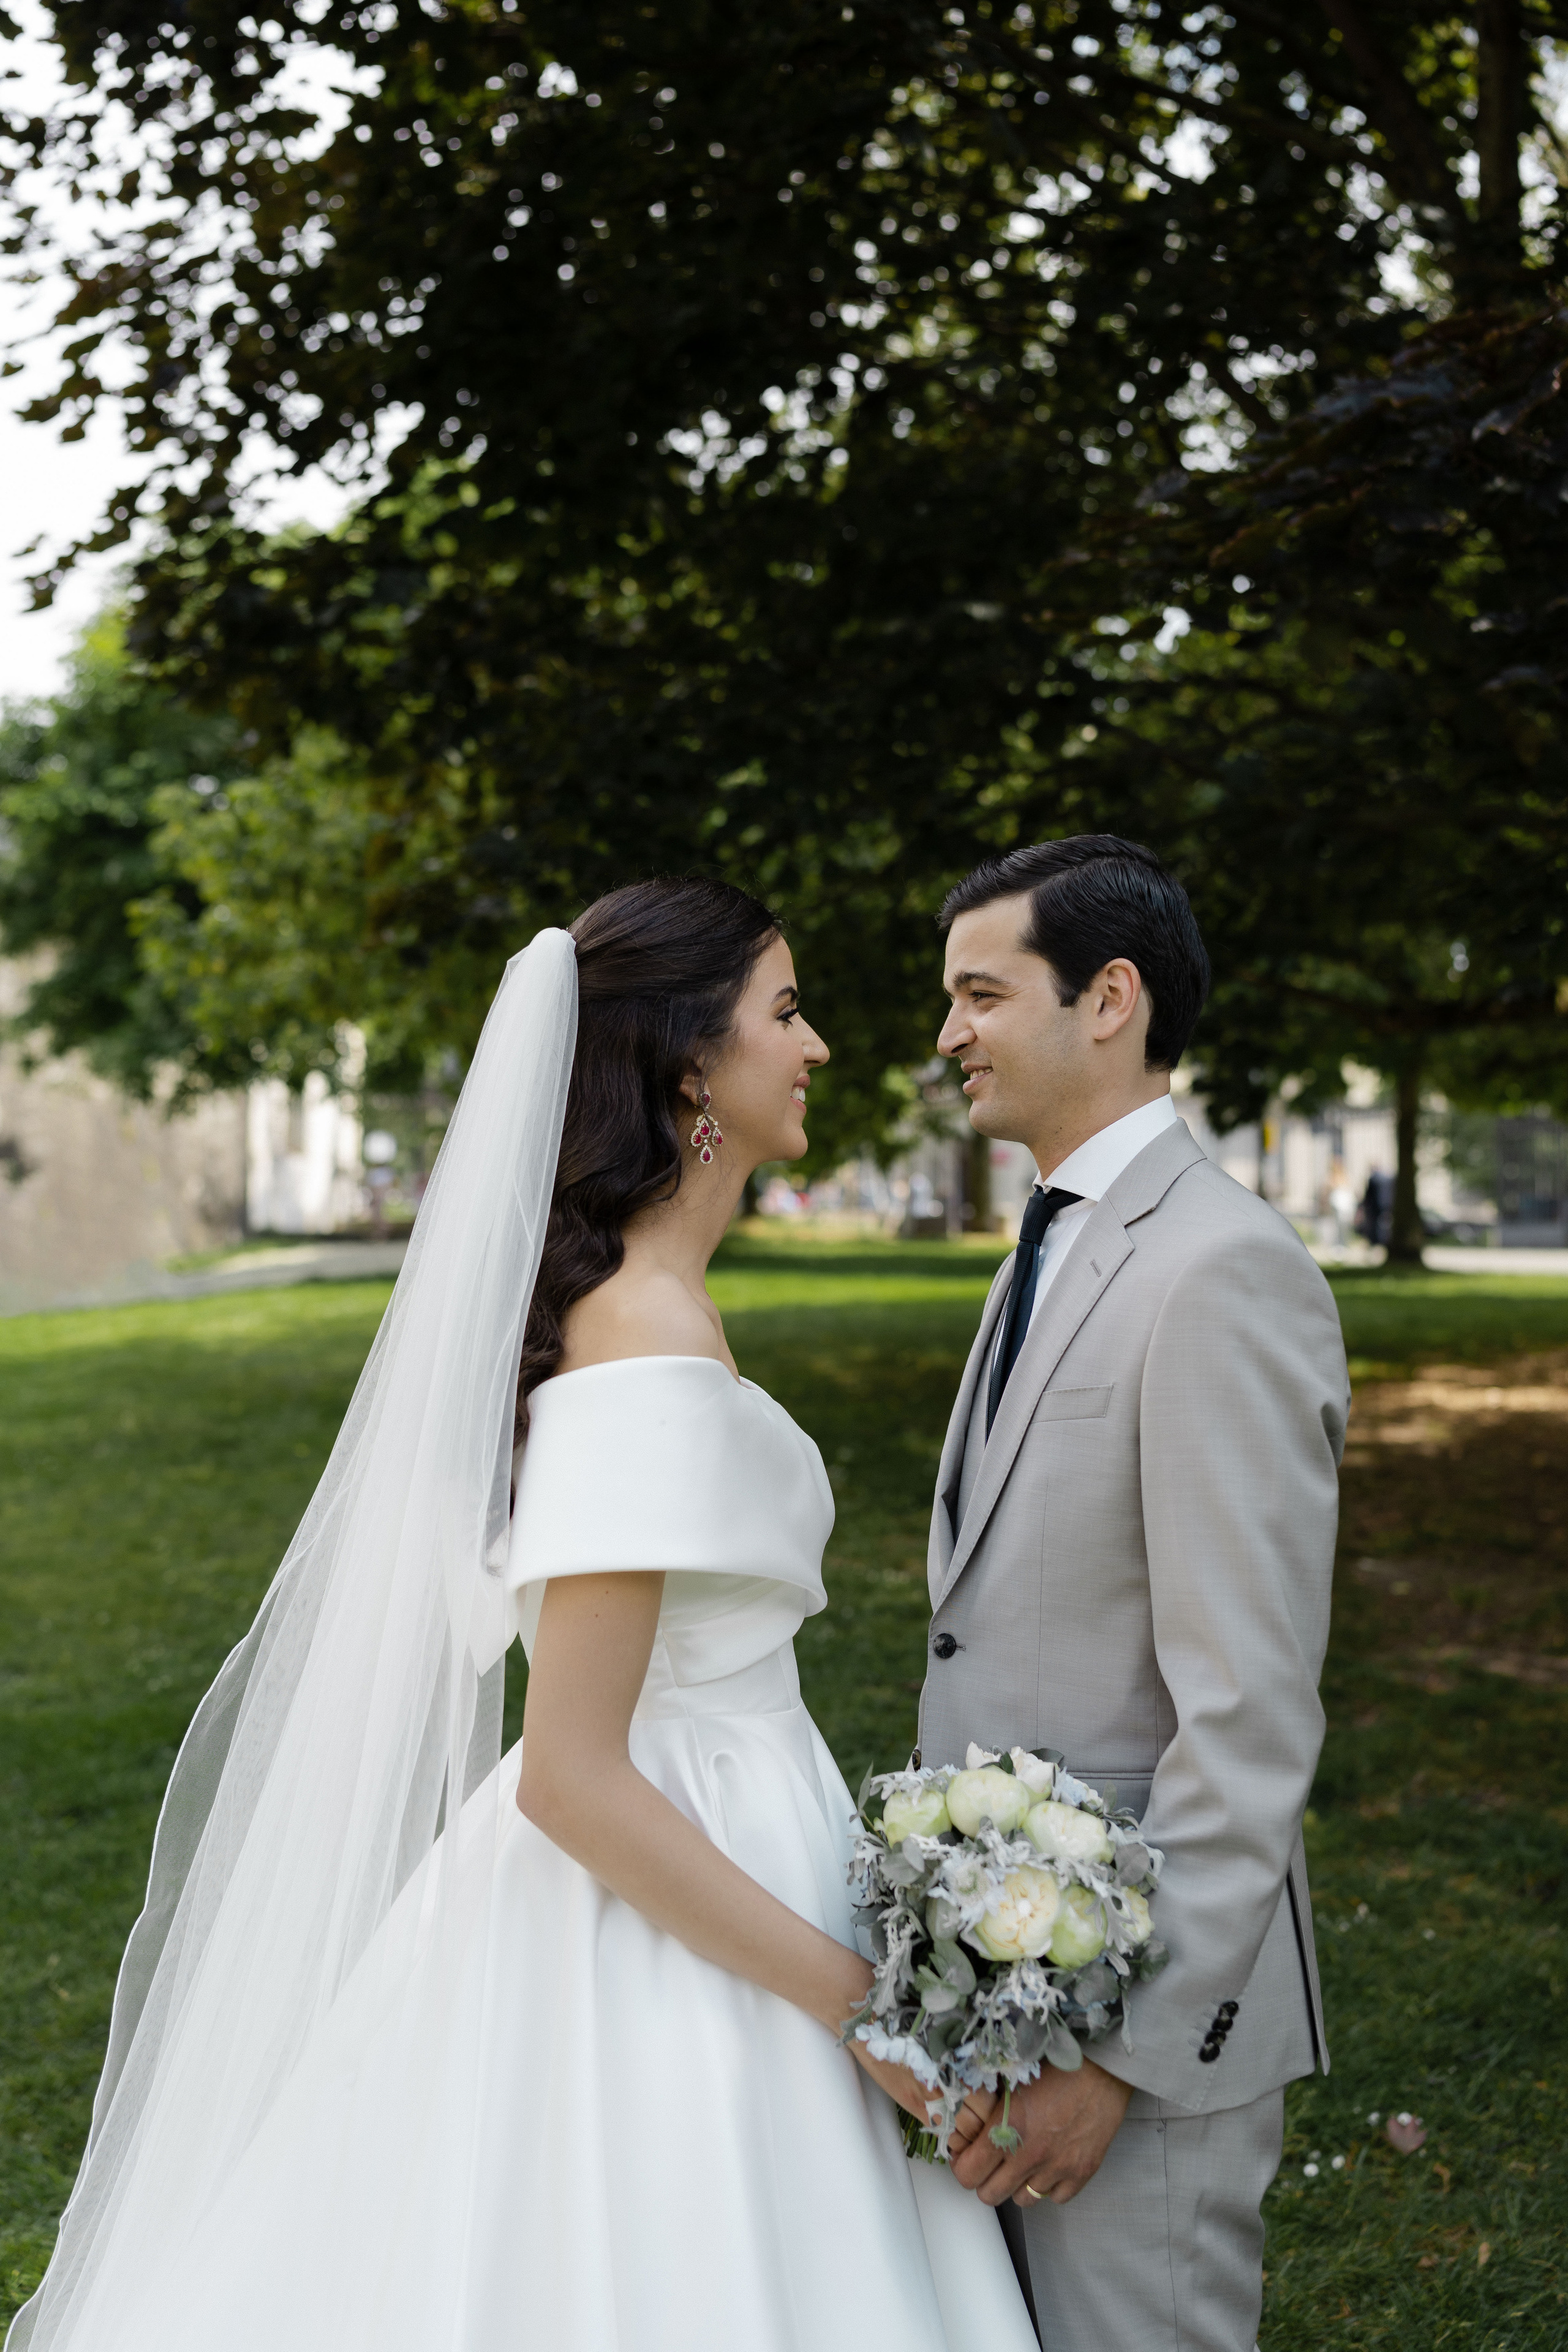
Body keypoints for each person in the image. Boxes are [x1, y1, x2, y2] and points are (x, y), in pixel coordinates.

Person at [12, 881, 1036, 2352]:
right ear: (692, 1065)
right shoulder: (640, 1334)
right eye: (786, 1011)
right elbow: (571, 1772)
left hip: (746, 1829)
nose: (815, 1047)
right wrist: (863, 2010)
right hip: (668, 1881)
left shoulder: (654, 1307)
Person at [921, 839, 1349, 2352]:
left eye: (980, 993)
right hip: (1001, 1980)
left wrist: (1124, 2056)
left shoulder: (1222, 1268)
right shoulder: (1044, 1237)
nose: (946, 1034)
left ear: (1107, 999)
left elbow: (1244, 1719)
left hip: (1143, 2027)